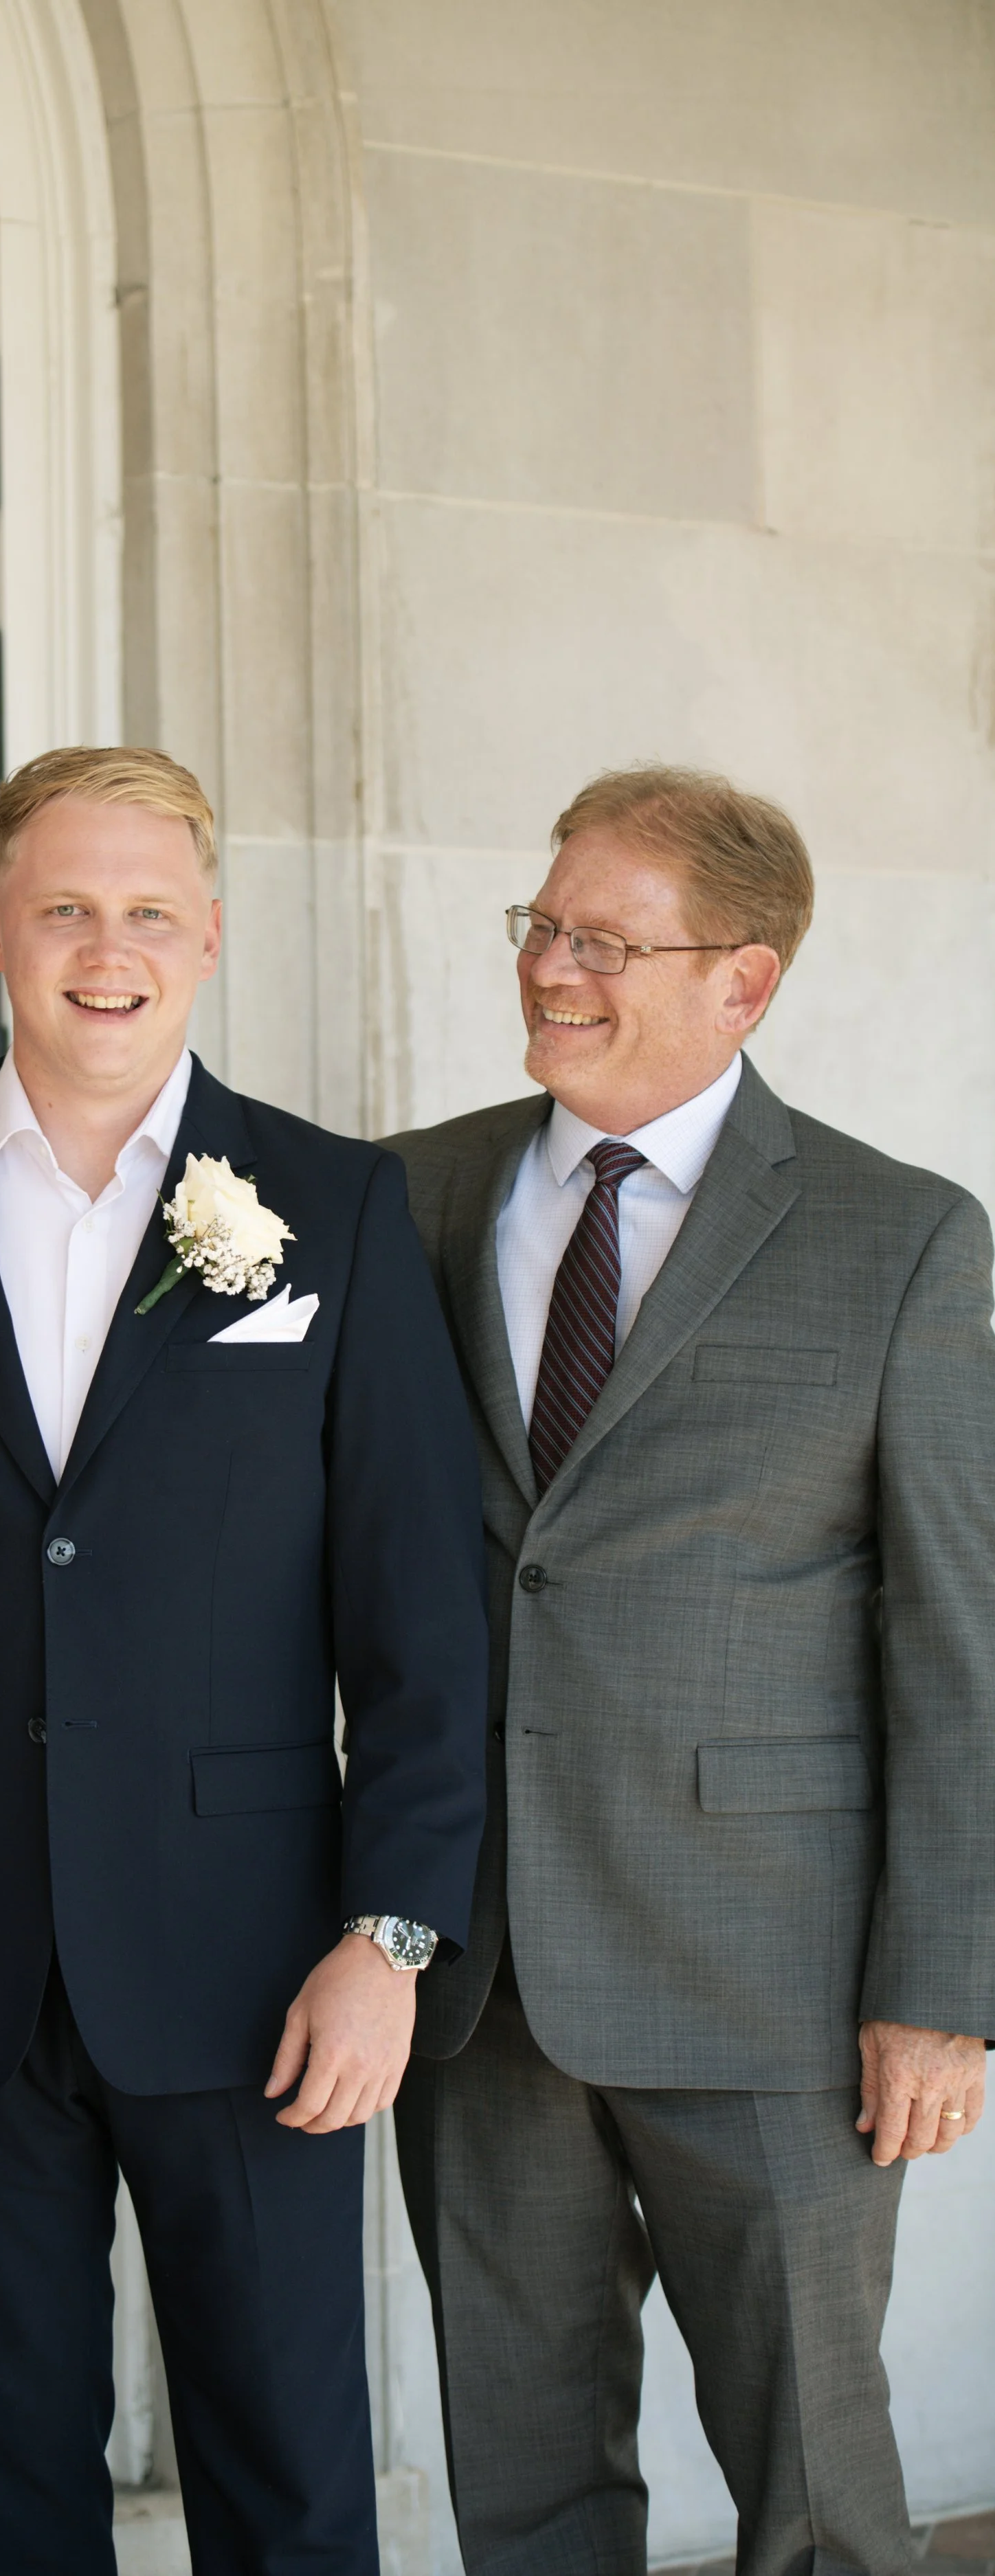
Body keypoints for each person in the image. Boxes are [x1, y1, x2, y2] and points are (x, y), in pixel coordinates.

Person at [0, 744, 489, 2576]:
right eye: (67, 907)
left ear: (211, 935)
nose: (110, 947)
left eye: (151, 910)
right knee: (0, 2483)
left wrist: (390, 1929)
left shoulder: (333, 1205)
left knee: (283, 2468)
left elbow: (418, 1615)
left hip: (256, 1951)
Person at [385, 768, 995, 2576]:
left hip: (775, 1985)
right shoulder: (402, 1197)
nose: (550, 967)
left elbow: (958, 1635)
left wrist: (939, 1983)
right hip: (475, 1969)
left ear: (744, 981)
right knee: (526, 2484)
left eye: (602, 939)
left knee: (814, 2492)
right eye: (540, 925)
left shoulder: (898, 1240)